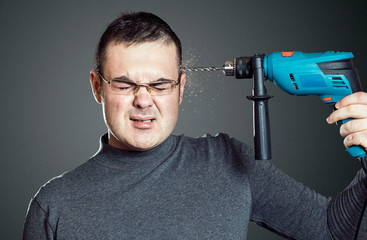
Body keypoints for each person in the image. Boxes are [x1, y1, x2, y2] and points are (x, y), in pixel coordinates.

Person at [23, 12, 367, 239]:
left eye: (159, 85)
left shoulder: (229, 161)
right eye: (126, 85)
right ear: (97, 87)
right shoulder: (55, 206)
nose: (144, 100)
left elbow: (334, 231)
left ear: (181, 88)